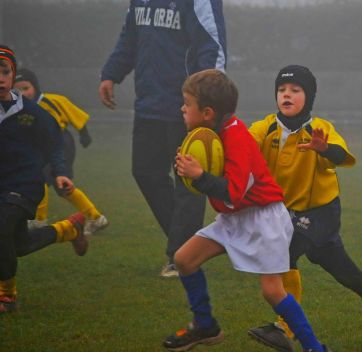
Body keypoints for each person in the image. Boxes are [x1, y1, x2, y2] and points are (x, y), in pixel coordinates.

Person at [247, 65, 362, 352]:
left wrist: (323, 149)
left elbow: (341, 156)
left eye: (295, 90)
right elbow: (243, 144)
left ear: (310, 97)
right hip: (289, 213)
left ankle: (286, 328)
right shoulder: (264, 127)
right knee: (347, 274)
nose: (286, 95)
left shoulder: (321, 130)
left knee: (285, 252)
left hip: (321, 212)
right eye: (281, 90)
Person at [164, 69, 329, 352]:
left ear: (207, 112)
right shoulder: (209, 133)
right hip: (235, 217)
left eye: (187, 103)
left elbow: (232, 192)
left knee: (273, 291)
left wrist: (200, 175)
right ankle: (206, 326)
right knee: (184, 259)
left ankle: (315, 348)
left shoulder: (236, 136)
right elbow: (215, 188)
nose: (182, 107)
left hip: (264, 219)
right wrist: (188, 168)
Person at [99, 0, 227, 277]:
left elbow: (212, 44)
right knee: (144, 172)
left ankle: (180, 254)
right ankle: (190, 245)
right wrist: (111, 73)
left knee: (188, 182)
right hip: (149, 103)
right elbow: (130, 37)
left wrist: (206, 98)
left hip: (186, 105)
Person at [0, 45, 88, 314]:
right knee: (18, 244)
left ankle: (7, 296)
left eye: (4, 71)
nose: (0, 77)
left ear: (13, 75)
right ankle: (69, 230)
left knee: (1, 229)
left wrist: (60, 171)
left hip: (24, 184)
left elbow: (55, 144)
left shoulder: (33, 113)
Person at [14, 68, 108, 236]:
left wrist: (83, 133)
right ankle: (95, 217)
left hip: (61, 144)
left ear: (35, 86)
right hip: (41, 149)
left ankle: (39, 221)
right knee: (61, 186)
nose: (23, 93)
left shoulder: (52, 100)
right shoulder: (19, 109)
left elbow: (73, 112)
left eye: (26, 88)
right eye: (18, 90)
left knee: (41, 178)